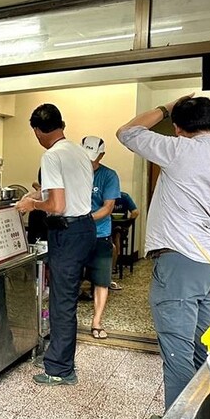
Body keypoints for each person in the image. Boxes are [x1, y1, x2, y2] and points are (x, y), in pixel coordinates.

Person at [116, 95, 210, 419]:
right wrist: (207, 257)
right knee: (203, 349)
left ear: (178, 129)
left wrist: (165, 108)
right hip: (208, 265)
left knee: (177, 352)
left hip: (179, 263)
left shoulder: (178, 149)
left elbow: (127, 132)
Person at [16, 104, 95, 386]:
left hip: (67, 231)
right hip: (85, 228)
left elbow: (58, 206)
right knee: (66, 298)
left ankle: (60, 369)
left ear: (37, 131)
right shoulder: (78, 152)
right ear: (61, 124)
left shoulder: (51, 156)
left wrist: (32, 203)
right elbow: (70, 194)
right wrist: (43, 193)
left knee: (62, 301)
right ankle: (58, 356)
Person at [81, 136, 121, 340]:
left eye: (93, 158)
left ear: (102, 155)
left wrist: (84, 219)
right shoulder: (74, 173)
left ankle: (96, 322)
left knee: (101, 281)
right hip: (77, 236)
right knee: (71, 278)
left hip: (101, 235)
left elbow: (108, 207)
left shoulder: (109, 176)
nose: (89, 162)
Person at [110, 191, 140, 289]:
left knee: (117, 234)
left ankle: (114, 262)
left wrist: (127, 225)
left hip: (119, 227)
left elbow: (135, 212)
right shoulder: (106, 196)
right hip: (107, 226)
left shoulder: (124, 197)